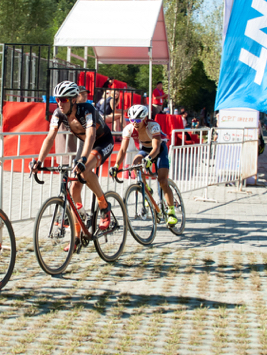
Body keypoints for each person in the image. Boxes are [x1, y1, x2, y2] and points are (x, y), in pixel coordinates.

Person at [30, 81, 115, 245]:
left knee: (84, 170)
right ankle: (77, 236)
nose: (60, 103)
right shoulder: (58, 114)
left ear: (73, 100)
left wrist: (83, 160)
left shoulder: (87, 110)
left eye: (64, 100)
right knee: (74, 189)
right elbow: (50, 137)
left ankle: (104, 206)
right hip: (85, 144)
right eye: (58, 100)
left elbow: (91, 135)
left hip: (102, 141)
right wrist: (39, 161)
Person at [109, 105, 179, 227]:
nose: (134, 123)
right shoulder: (129, 129)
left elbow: (156, 148)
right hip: (145, 150)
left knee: (162, 180)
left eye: (137, 120)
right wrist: (116, 165)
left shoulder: (153, 126)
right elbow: (122, 150)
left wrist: (149, 159)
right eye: (131, 120)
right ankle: (146, 188)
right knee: (135, 163)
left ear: (145, 118)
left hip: (159, 150)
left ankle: (171, 211)